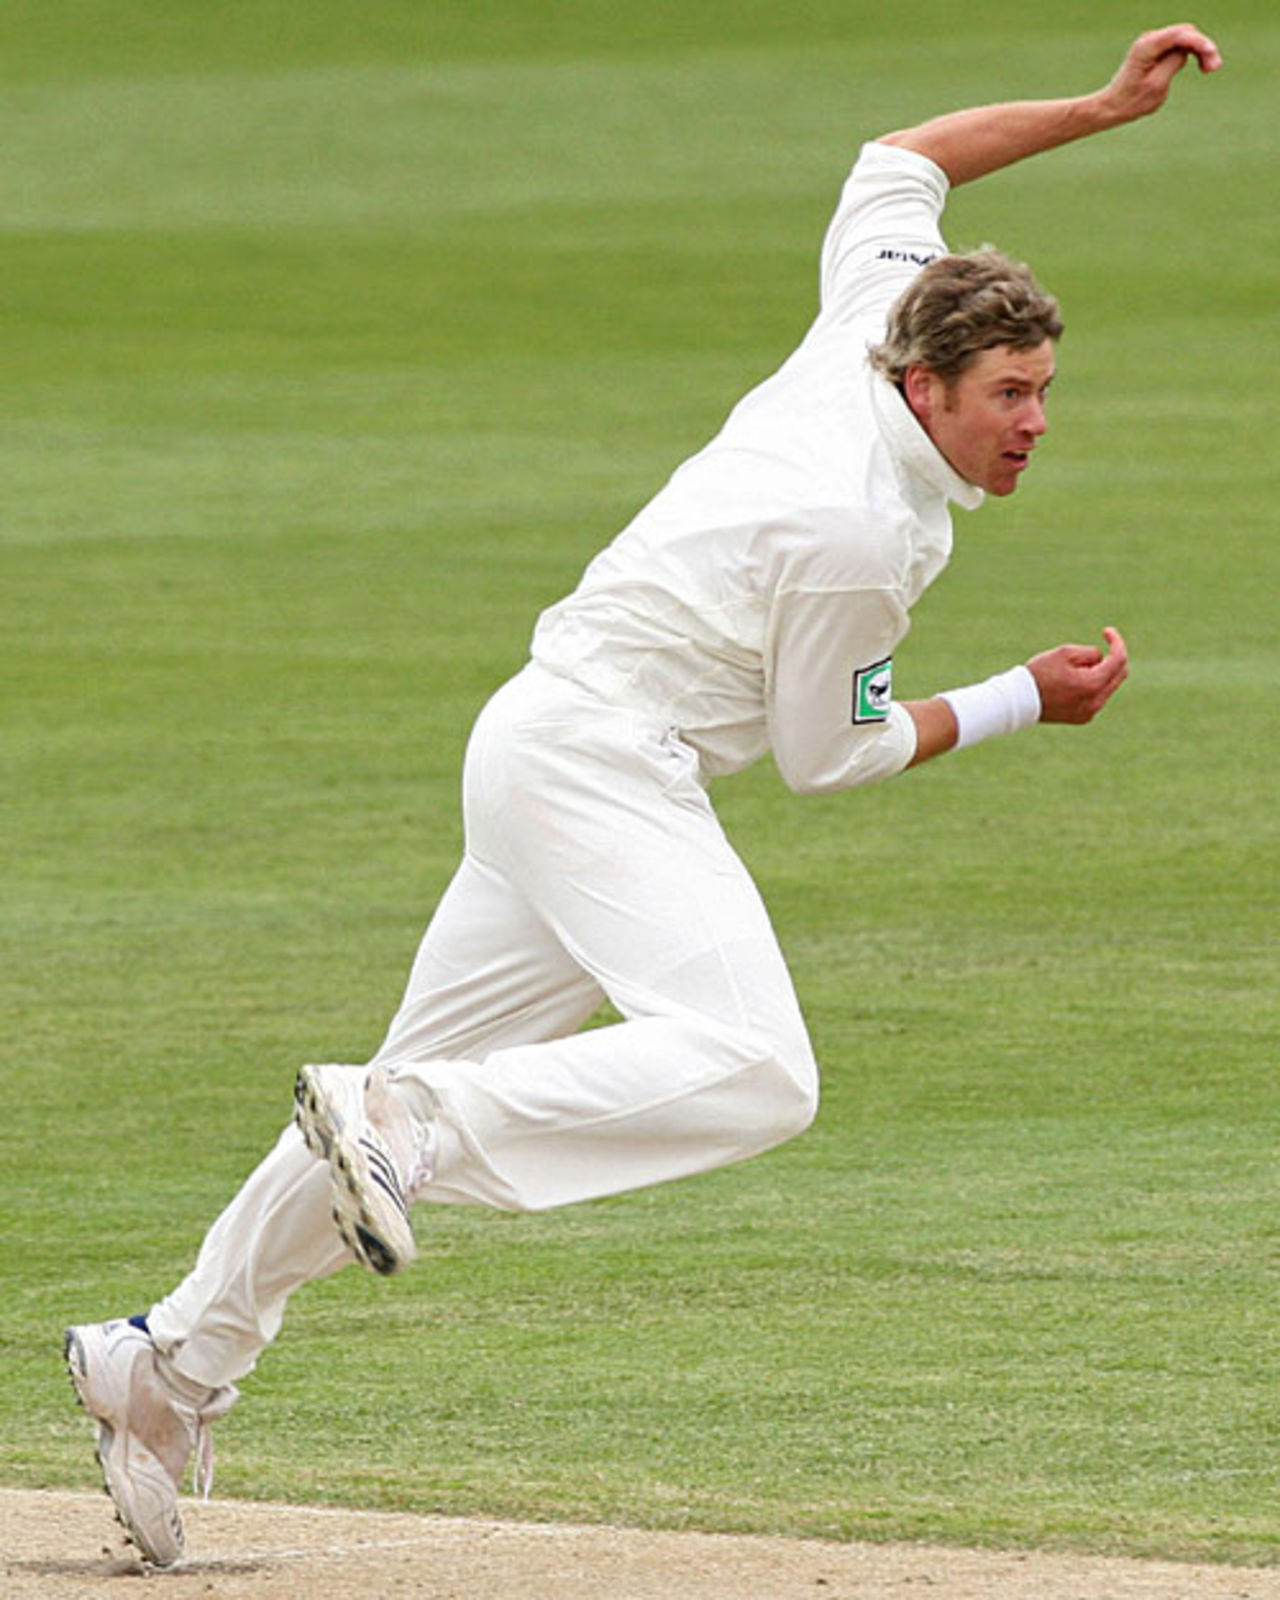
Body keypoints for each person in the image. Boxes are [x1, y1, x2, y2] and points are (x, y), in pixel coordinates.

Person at [65, 23, 1221, 1568]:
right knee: (756, 1073)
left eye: (1046, 389)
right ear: (925, 381)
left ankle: (165, 1366)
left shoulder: (875, 308)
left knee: (354, 1152)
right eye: (1008, 393)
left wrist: (1094, 109)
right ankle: (416, 1117)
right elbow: (832, 756)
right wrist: (1024, 695)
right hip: (607, 763)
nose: (1034, 423)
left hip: (540, 743)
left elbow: (904, 159)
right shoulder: (864, 536)